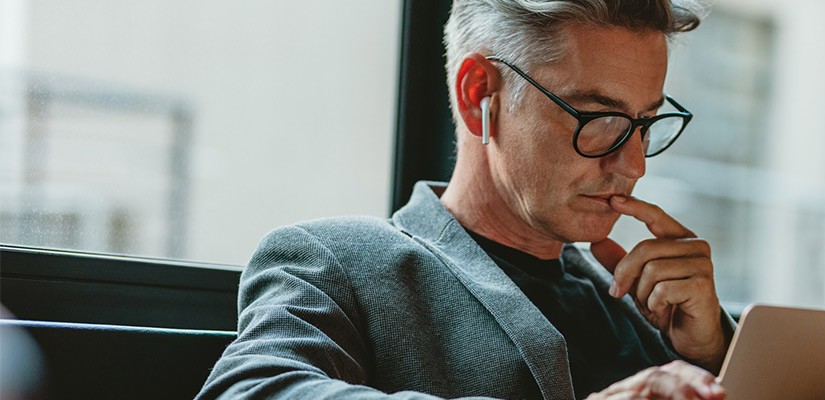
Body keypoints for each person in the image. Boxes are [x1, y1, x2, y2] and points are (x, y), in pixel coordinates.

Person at [197, 1, 735, 398]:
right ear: (480, 93)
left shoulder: (653, 314)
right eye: (600, 120)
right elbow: (250, 391)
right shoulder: (337, 263)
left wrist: (719, 354)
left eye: (644, 124)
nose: (634, 164)